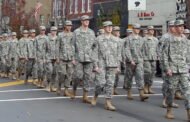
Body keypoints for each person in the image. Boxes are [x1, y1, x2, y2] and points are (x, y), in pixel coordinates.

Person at [162, 20, 190, 121]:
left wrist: (188, 67)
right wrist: (167, 68)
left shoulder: (186, 41)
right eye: (179, 26)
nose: (182, 28)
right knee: (171, 92)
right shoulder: (168, 40)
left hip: (183, 69)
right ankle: (169, 111)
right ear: (175, 27)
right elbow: (164, 55)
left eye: (183, 26)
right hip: (172, 70)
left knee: (187, 92)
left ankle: (188, 113)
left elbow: (188, 55)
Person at [91, 21, 121, 111]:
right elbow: (95, 53)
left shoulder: (116, 40)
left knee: (110, 84)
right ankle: (95, 95)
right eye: (108, 26)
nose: (110, 28)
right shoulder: (98, 39)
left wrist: (118, 66)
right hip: (101, 64)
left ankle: (108, 102)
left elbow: (118, 54)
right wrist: (95, 65)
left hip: (112, 64)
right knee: (100, 83)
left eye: (111, 26)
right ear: (104, 28)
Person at [71, 15, 96, 103]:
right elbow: (72, 45)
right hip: (78, 58)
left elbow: (94, 46)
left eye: (88, 20)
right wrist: (72, 58)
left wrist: (94, 57)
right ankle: (74, 90)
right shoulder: (76, 32)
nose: (87, 21)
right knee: (77, 76)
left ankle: (85, 96)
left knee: (88, 77)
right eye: (85, 20)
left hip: (89, 58)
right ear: (81, 21)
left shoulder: (92, 32)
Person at [122, 23, 149, 101]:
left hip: (139, 61)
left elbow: (143, 50)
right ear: (133, 29)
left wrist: (143, 59)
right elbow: (126, 50)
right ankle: (129, 92)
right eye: (136, 28)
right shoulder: (128, 39)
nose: (137, 30)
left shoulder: (141, 39)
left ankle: (141, 94)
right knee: (129, 77)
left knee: (140, 76)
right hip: (130, 62)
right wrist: (130, 60)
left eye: (138, 29)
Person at [56, 20, 75, 98]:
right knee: (62, 74)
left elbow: (74, 47)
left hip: (70, 58)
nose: (69, 27)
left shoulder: (73, 35)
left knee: (69, 75)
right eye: (67, 25)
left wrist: (74, 58)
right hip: (62, 58)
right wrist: (57, 57)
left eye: (70, 26)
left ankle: (66, 90)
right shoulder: (60, 35)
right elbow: (57, 47)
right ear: (65, 26)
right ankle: (59, 86)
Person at [143, 26, 159, 94]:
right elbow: (141, 49)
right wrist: (142, 58)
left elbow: (158, 48)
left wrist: (158, 55)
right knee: (147, 72)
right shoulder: (144, 39)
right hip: (146, 58)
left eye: (153, 30)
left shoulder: (156, 39)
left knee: (152, 73)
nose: (152, 31)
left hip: (153, 58)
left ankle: (150, 86)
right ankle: (145, 86)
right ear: (148, 30)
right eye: (150, 30)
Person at [45, 26, 59, 92]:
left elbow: (60, 48)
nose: (54, 32)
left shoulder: (58, 38)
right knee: (50, 71)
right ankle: (48, 84)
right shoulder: (47, 39)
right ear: (50, 31)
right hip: (49, 57)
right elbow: (44, 49)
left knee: (55, 72)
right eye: (53, 30)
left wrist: (59, 57)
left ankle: (53, 85)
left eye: (55, 31)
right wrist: (44, 58)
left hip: (56, 57)